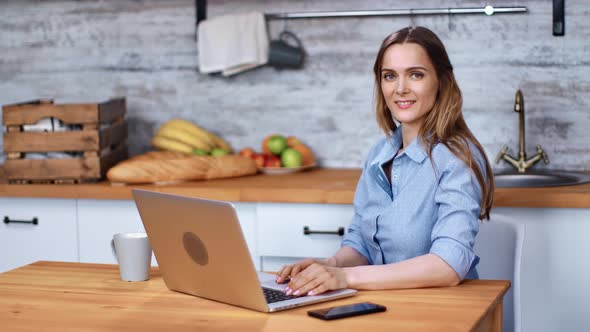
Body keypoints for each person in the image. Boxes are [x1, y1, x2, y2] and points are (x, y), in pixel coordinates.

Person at [276, 26, 494, 297]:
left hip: (440, 308)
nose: (401, 89)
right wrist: (330, 265)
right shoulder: (380, 153)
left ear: (441, 80)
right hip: (384, 304)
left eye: (416, 74)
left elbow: (448, 265)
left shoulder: (458, 158)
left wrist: (344, 277)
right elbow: (360, 242)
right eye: (390, 76)